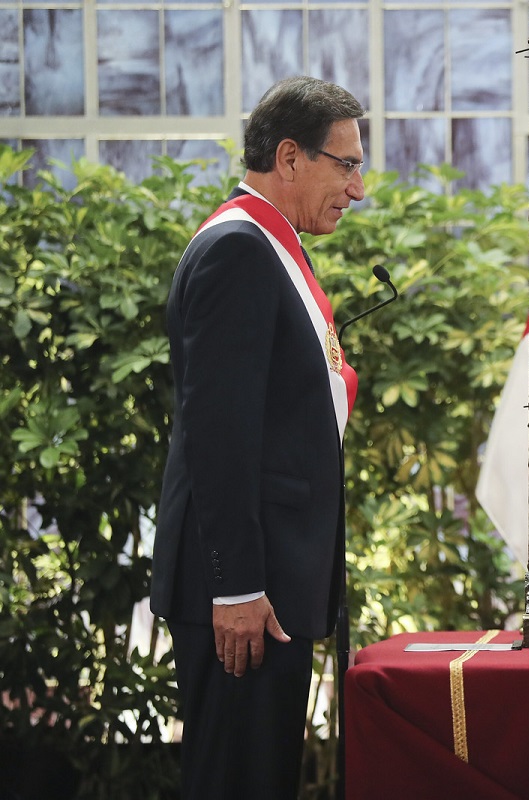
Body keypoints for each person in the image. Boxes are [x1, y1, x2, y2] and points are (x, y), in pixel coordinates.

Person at [150, 76, 366, 799]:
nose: (357, 188)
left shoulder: (269, 242)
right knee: (236, 781)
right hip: (248, 595)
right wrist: (236, 586)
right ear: (290, 157)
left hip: (270, 583)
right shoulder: (239, 250)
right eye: (346, 165)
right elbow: (218, 435)